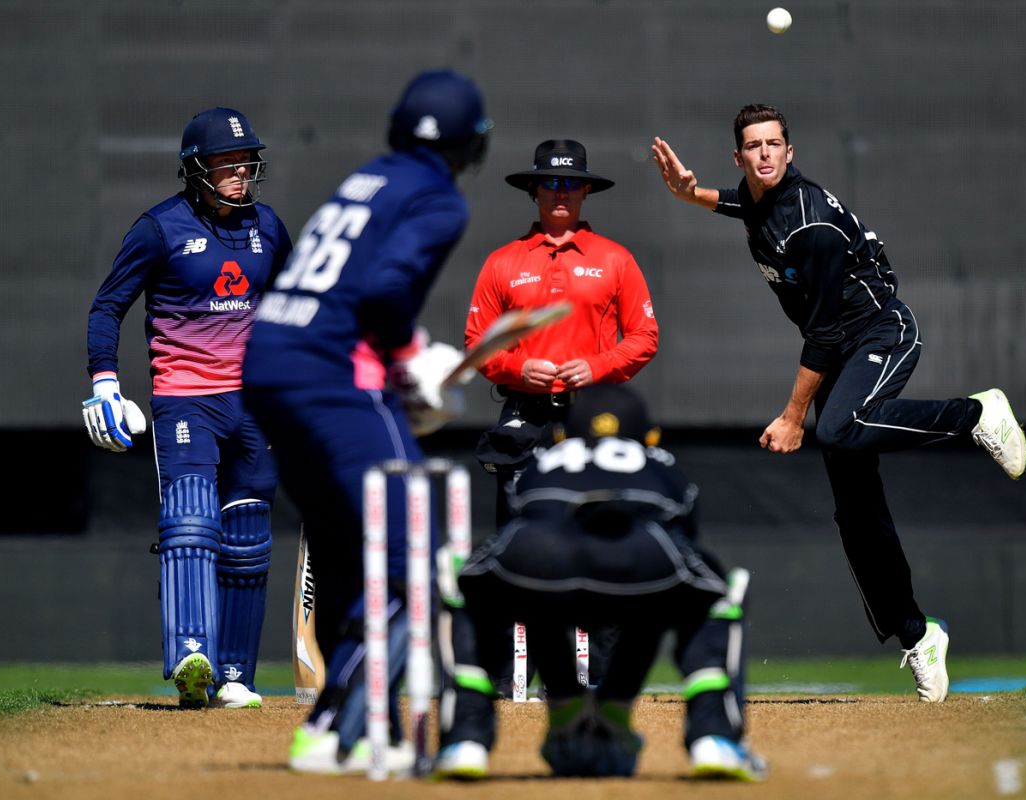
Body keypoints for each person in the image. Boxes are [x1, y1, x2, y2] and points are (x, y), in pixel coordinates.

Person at [651, 104, 1026, 703]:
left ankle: (977, 415)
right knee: (855, 509)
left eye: (774, 144)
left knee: (838, 428)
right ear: (739, 156)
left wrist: (792, 416)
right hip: (843, 352)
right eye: (754, 146)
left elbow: (824, 333)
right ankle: (918, 634)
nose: (765, 153)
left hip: (880, 332)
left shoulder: (811, 224)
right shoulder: (762, 198)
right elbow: (741, 203)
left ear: (790, 151)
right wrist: (690, 193)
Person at [241, 69, 492, 775]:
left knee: (346, 553)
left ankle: (361, 725)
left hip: (266, 361)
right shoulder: (438, 198)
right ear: (472, 144)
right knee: (421, 557)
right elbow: (384, 294)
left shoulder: (367, 179)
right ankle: (338, 727)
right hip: (331, 374)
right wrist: (415, 361)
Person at [433, 384, 767, 781]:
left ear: (562, 434)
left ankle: (466, 741)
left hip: (537, 555)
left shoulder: (545, 458)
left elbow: (520, 509)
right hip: (639, 558)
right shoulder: (659, 459)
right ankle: (713, 737)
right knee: (711, 596)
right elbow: (685, 526)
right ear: (650, 436)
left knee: (472, 593)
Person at [83, 108, 292, 709]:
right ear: (196, 168)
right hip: (186, 400)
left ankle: (236, 675)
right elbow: (107, 306)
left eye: (246, 161)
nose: (241, 171)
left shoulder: (269, 227)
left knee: (248, 535)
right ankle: (190, 656)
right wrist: (105, 383)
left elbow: (298, 303)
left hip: (254, 403)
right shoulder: (159, 228)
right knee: (191, 521)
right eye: (227, 162)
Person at [466, 139, 660, 527]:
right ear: (533, 189)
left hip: (595, 411)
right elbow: (477, 344)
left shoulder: (616, 258)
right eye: (551, 182)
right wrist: (519, 369)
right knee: (520, 525)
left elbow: (645, 335)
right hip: (525, 413)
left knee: (599, 522)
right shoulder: (501, 262)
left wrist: (597, 367)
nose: (561, 192)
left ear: (586, 190)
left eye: (570, 183)